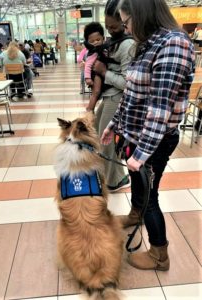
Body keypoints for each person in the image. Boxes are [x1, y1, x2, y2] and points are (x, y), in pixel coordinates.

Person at [101, 0, 195, 270]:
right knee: (140, 188)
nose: (126, 29)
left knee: (150, 196)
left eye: (127, 22)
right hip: (135, 135)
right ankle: (135, 214)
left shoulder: (173, 44)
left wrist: (141, 154)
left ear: (141, 15)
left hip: (154, 139)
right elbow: (132, 94)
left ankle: (158, 253)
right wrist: (114, 125)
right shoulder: (149, 43)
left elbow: (159, 108)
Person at [93, 0, 134, 192]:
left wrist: (104, 72)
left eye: (114, 26)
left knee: (106, 141)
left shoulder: (128, 45)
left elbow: (128, 83)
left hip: (118, 97)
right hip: (109, 95)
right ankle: (109, 174)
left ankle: (115, 179)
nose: (110, 31)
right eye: (107, 26)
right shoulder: (115, 41)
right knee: (97, 131)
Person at [83, 22, 109, 112]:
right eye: (92, 41)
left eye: (98, 39)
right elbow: (87, 65)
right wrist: (87, 78)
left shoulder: (104, 49)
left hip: (101, 73)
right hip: (96, 75)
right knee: (96, 92)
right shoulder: (93, 53)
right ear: (88, 42)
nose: (96, 42)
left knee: (98, 93)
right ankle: (90, 108)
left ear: (103, 38)